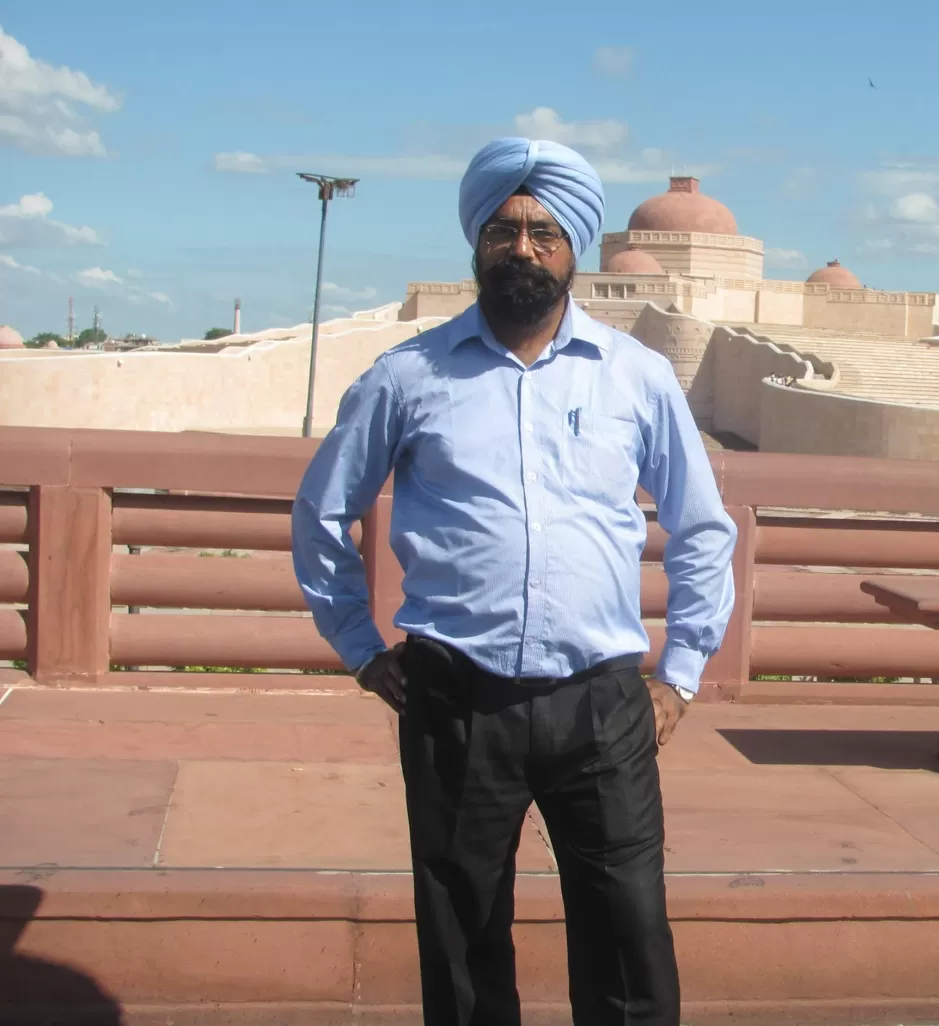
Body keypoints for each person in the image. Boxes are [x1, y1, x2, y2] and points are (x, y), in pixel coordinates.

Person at [291, 136, 738, 1026]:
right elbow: (321, 513)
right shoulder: (408, 378)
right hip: (458, 697)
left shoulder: (636, 378)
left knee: (628, 936)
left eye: (543, 232)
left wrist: (681, 671)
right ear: (477, 242)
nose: (523, 249)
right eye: (503, 230)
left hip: (602, 704)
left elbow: (701, 527)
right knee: (462, 936)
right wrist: (359, 647)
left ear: (575, 246)